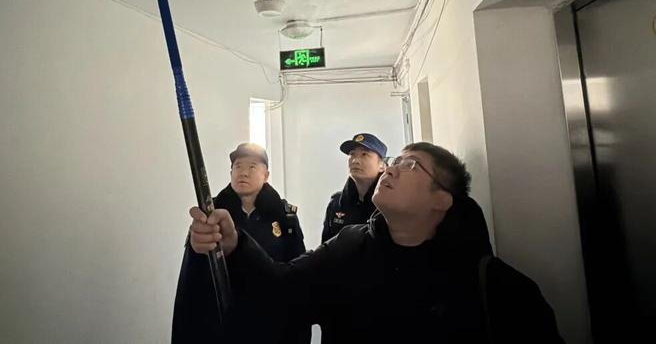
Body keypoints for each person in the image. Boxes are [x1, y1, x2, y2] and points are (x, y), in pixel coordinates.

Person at [189, 142, 565, 344]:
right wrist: (235, 244)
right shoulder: (347, 247)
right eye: (396, 160)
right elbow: (282, 288)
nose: (393, 168)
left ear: (442, 199)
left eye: (411, 165)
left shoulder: (497, 287)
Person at [172, 142, 308, 344]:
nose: (243, 173)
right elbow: (193, 282)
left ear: (266, 175)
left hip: (269, 324)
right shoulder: (211, 215)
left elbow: (297, 275)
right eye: (237, 166)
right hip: (223, 323)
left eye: (252, 167)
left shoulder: (284, 216)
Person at [322, 133, 387, 243]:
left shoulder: (389, 203)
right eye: (352, 154)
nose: (355, 160)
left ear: (382, 165)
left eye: (364, 154)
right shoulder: (336, 203)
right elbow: (325, 249)